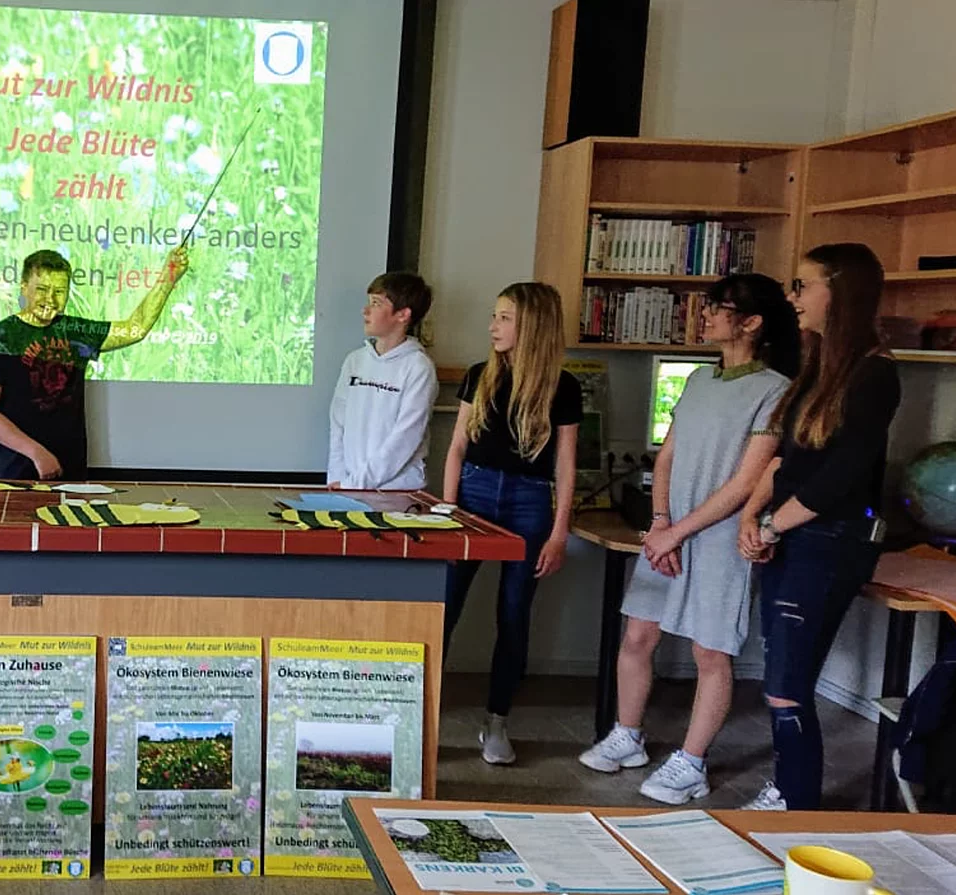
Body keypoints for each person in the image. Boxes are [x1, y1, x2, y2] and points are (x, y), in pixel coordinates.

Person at [579, 274, 801, 803]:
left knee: (710, 651)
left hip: (722, 539)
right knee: (638, 636)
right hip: (668, 534)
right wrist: (661, 524)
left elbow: (746, 483)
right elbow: (667, 457)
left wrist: (678, 532)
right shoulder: (700, 380)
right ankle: (627, 735)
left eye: (717, 308)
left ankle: (692, 762)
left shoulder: (775, 390)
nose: (705, 316)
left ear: (751, 323)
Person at [737, 243, 900, 811]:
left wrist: (772, 527)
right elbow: (785, 460)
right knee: (780, 677)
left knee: (787, 686)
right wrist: (753, 517)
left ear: (840, 291)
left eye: (803, 286)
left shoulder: (875, 375)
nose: (792, 297)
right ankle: (788, 790)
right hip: (789, 535)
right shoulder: (816, 368)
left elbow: (838, 479)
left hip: (828, 543)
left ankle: (794, 801)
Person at [441, 282, 582, 765]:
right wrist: (449, 512)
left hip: (529, 502)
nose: (492, 326)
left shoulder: (563, 386)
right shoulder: (480, 375)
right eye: (494, 316)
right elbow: (457, 448)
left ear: (533, 326)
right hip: (473, 496)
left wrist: (559, 533)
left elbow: (566, 466)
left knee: (515, 614)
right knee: (445, 607)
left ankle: (497, 721)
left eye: (504, 318)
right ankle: (423, 715)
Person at [0, 246, 188, 480]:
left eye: (59, 291)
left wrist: (169, 277)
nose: (50, 299)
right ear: (24, 287)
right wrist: (36, 453)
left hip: (70, 474)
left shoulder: (76, 331)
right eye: (42, 289)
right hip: (13, 476)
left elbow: (135, 329)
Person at [327, 272, 438, 491]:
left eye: (376, 303)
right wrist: (338, 477)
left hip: (397, 490)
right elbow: (337, 423)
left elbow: (405, 438)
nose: (365, 311)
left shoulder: (418, 367)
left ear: (403, 314)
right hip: (347, 485)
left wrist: (358, 483)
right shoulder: (355, 360)